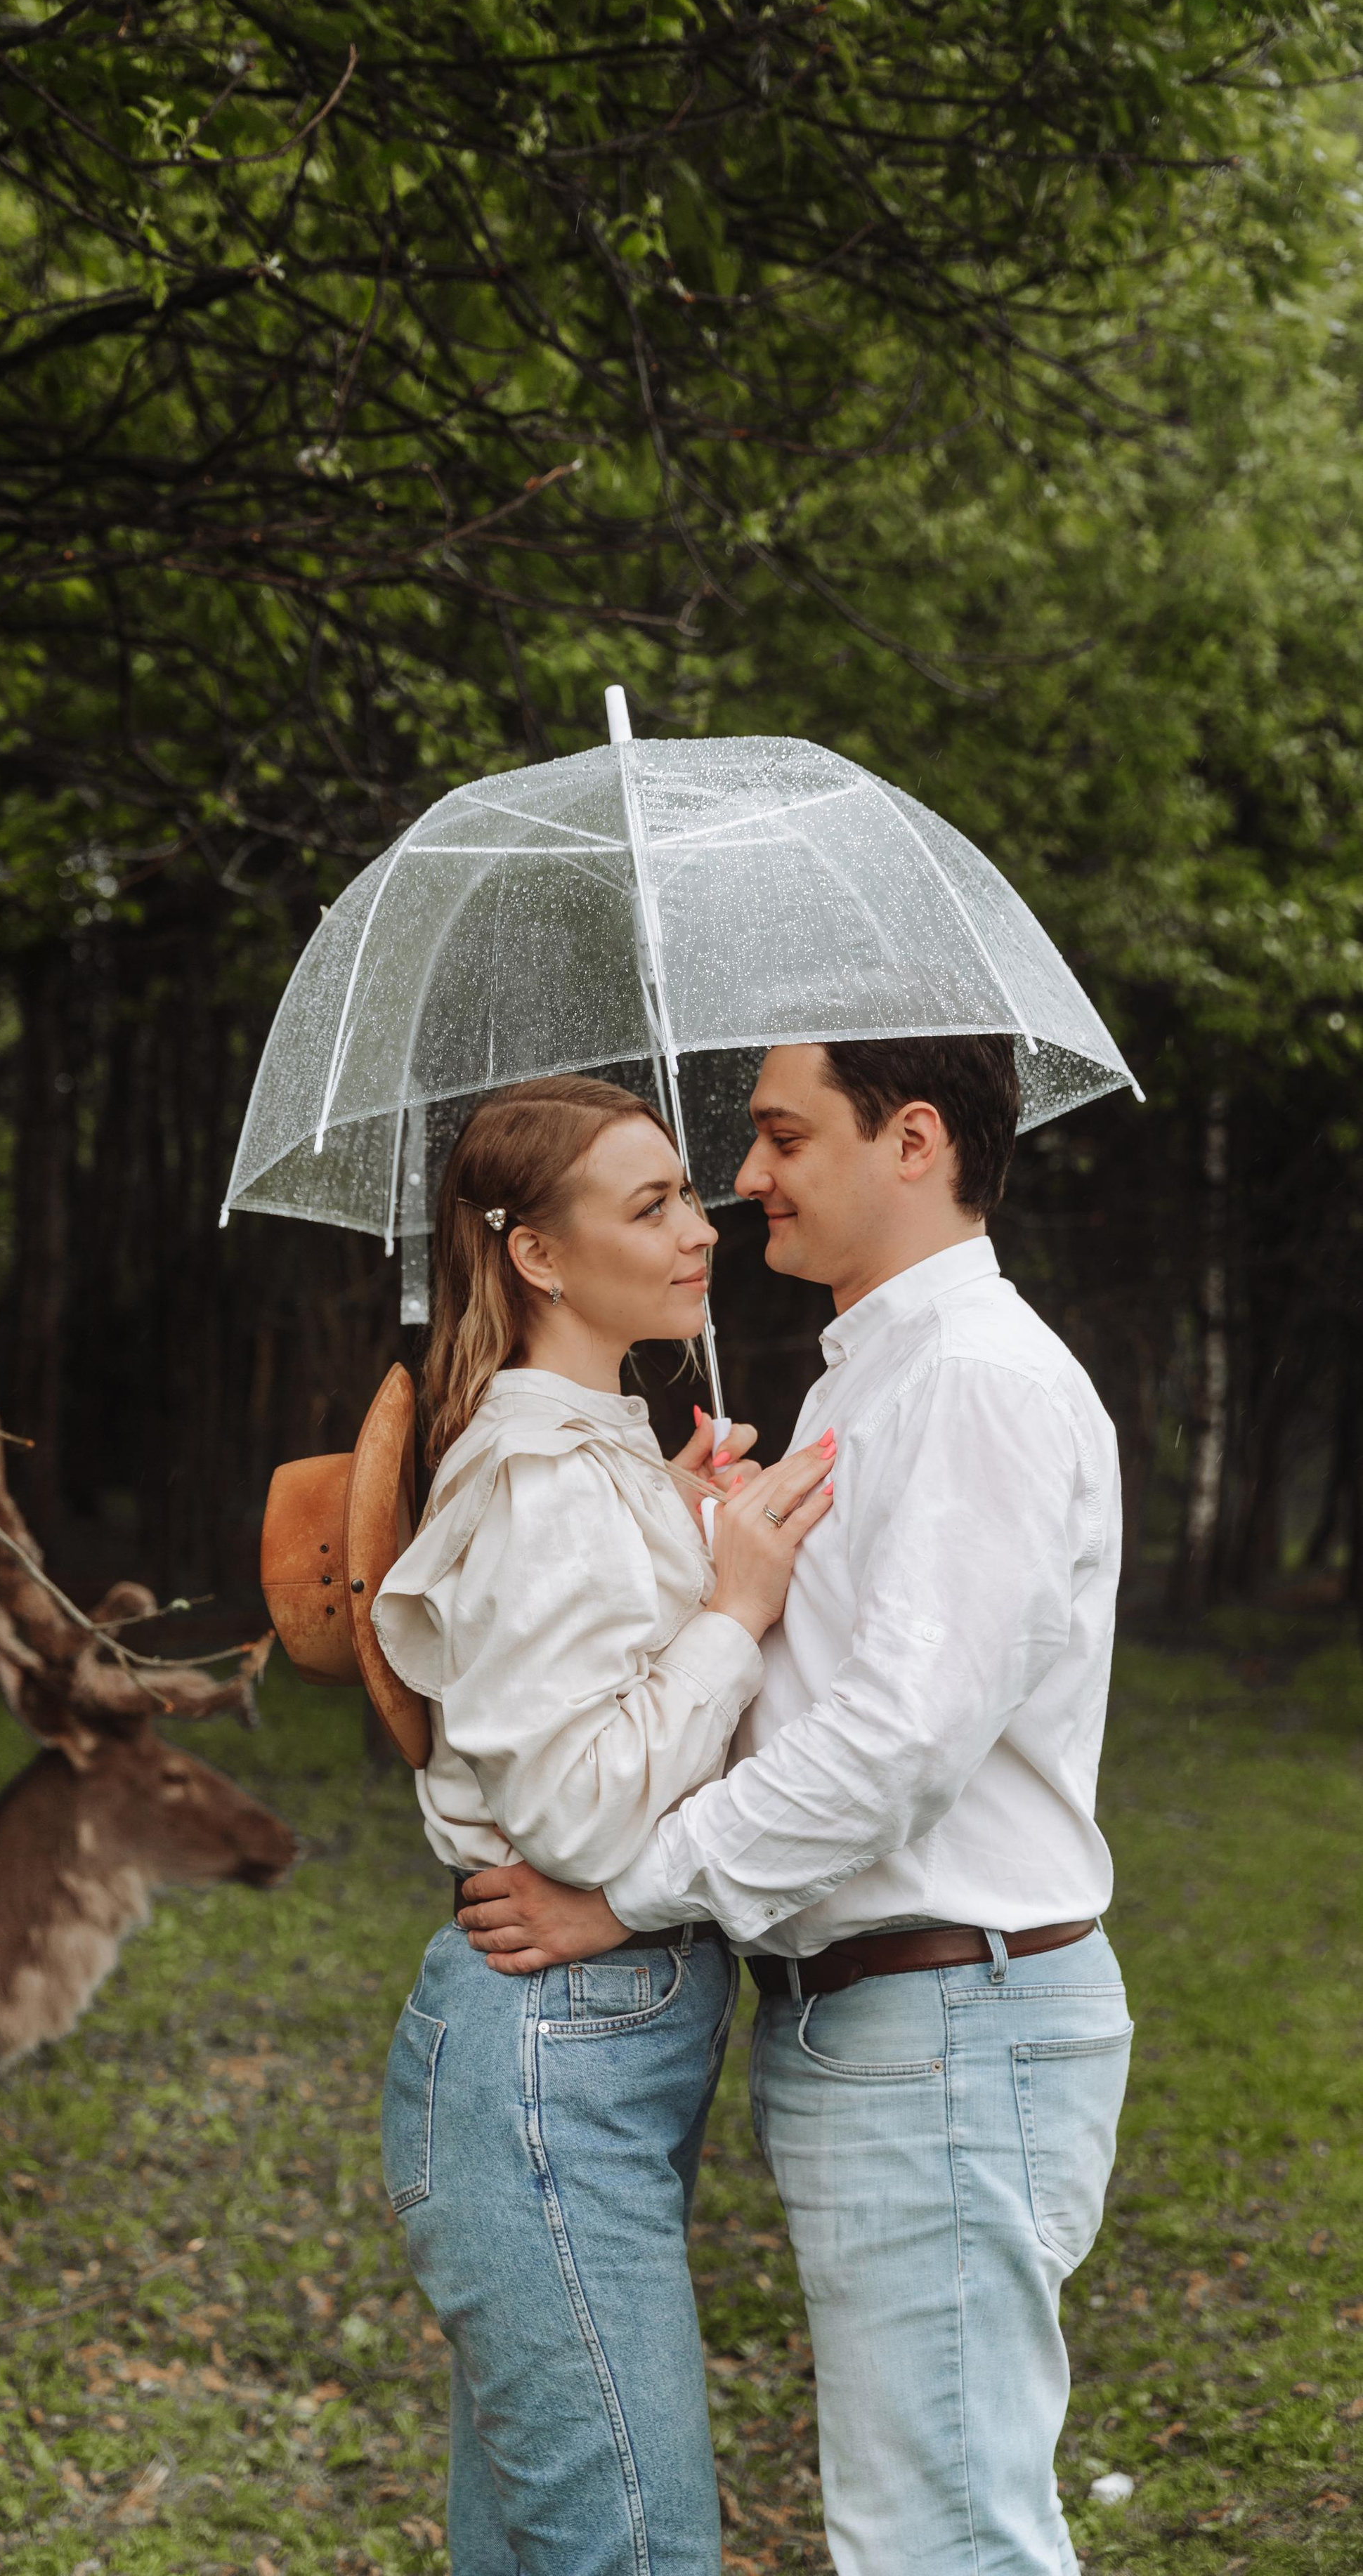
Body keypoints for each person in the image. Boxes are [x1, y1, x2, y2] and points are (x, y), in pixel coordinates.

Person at [459, 1037, 1131, 2576]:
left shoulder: (969, 1381)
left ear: (909, 1141)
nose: (742, 1178)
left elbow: (896, 1745)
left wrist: (625, 1893)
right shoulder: (875, 1371)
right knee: (915, 2520)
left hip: (947, 2013)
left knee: (937, 2538)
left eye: (776, 1136)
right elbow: (830, 1680)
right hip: (890, 2021)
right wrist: (700, 1554)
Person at [371, 1072, 835, 2576]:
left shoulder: (596, 1462)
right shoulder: (541, 1479)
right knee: (626, 2547)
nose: (697, 1228)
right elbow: (572, 1813)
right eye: (646, 1207)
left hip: (578, 2052)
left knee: (540, 2545)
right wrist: (730, 1609)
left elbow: (582, 1685)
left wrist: (676, 1515)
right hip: (545, 2056)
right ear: (539, 1257)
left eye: (685, 1194)